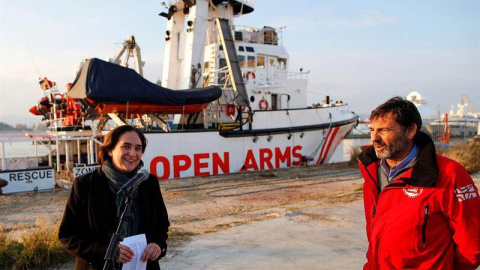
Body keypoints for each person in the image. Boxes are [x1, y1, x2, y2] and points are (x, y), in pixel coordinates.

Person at [358, 96, 480, 269]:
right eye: (372, 130)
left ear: (410, 130)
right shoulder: (372, 173)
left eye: (384, 130)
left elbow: (472, 245)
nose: (374, 138)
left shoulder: (448, 174)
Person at [58, 125, 170, 270]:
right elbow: (68, 235)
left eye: (138, 148)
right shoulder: (85, 184)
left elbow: (161, 225)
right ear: (110, 150)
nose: (132, 153)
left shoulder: (148, 182)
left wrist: (158, 245)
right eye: (126, 146)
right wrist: (107, 252)